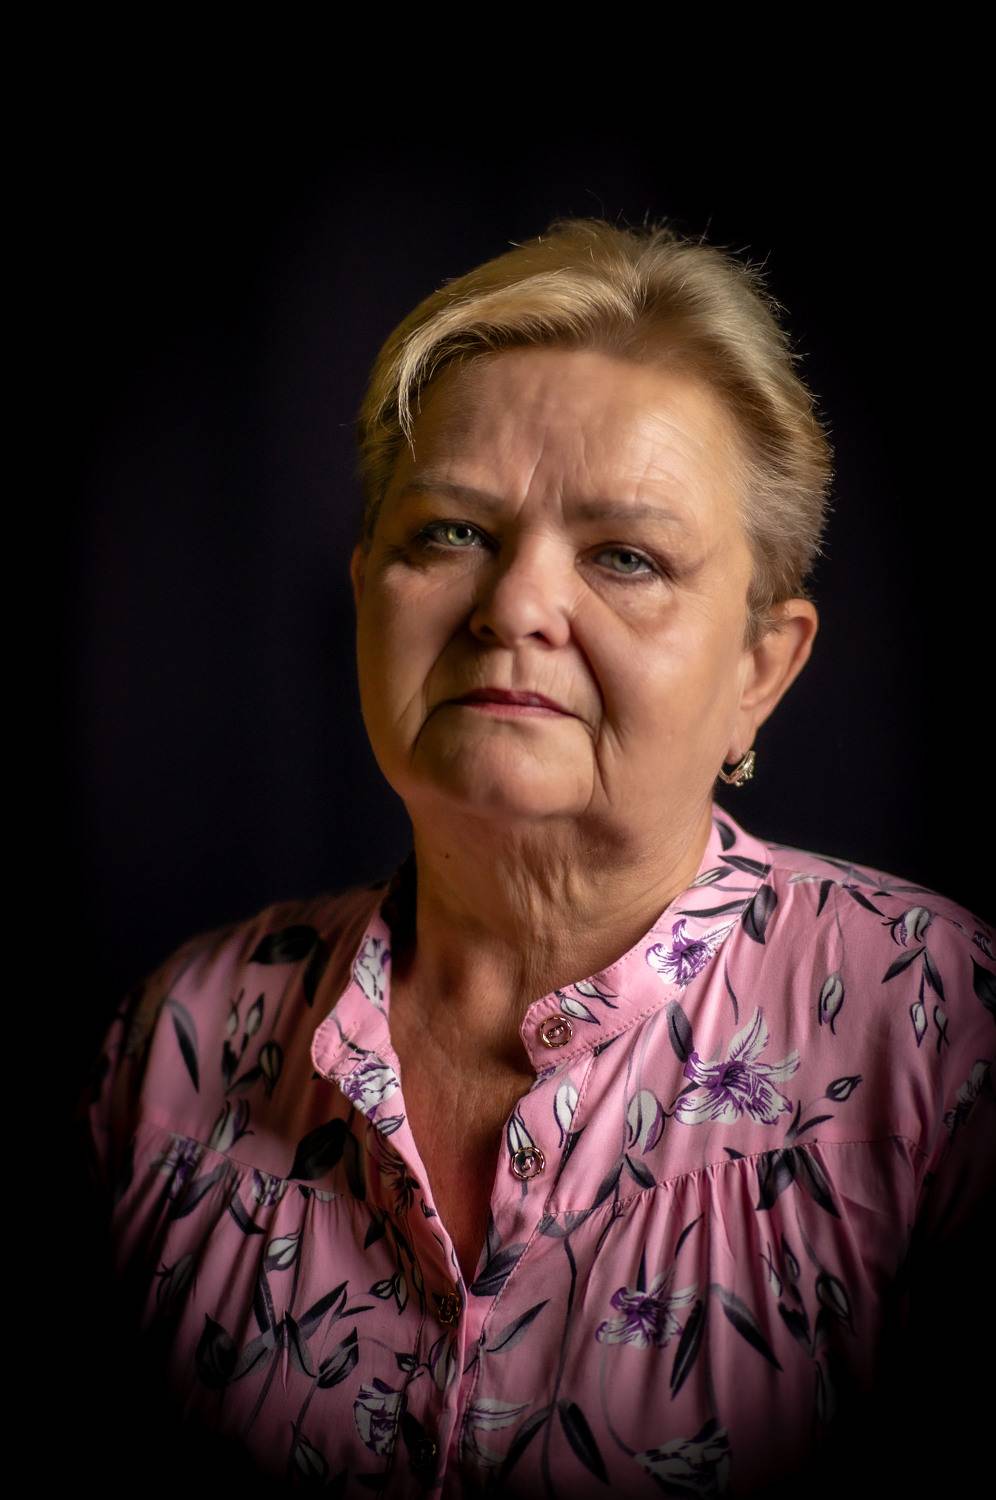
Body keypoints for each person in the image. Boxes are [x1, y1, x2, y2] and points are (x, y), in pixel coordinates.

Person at [75, 216, 994, 1498]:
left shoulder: (946, 1038)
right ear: (368, 593)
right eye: (452, 533)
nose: (513, 606)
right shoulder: (183, 1034)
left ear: (759, 670)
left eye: (625, 556)